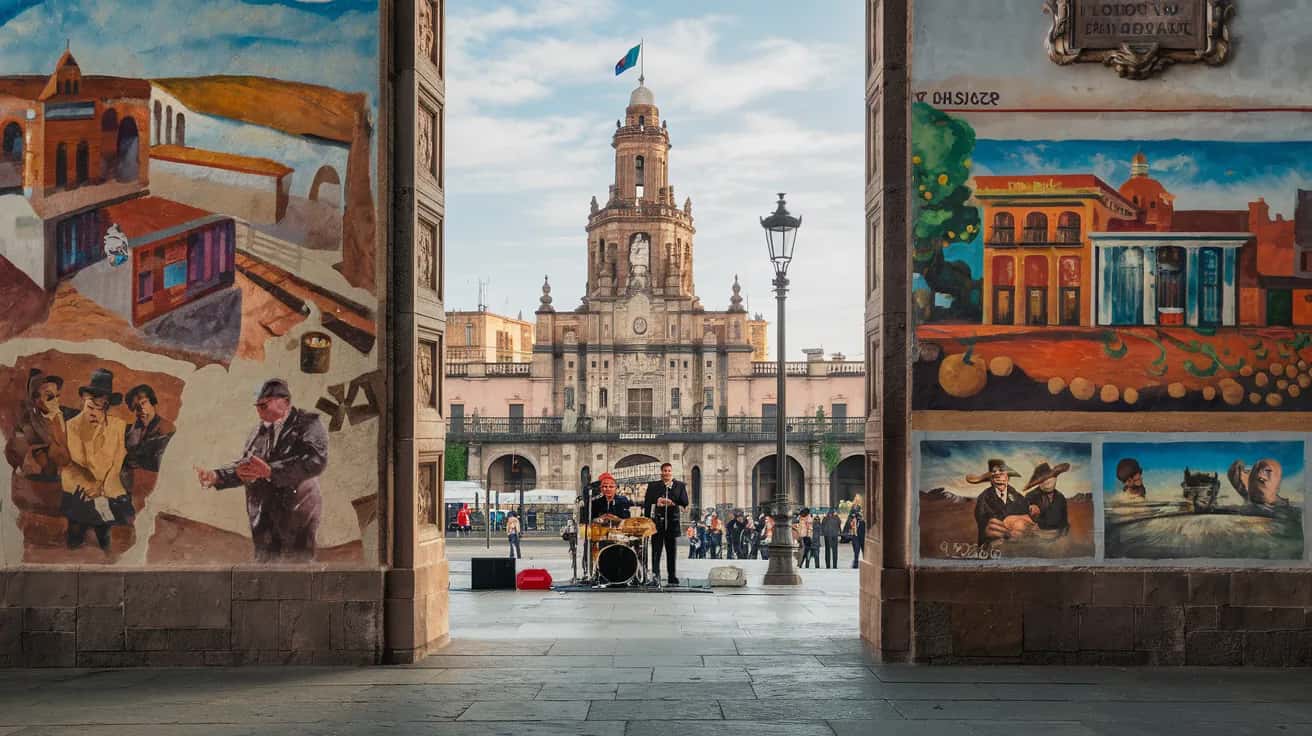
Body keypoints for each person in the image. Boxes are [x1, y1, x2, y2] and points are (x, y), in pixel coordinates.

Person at [196, 378, 327, 562]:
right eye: (258, 405)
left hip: (297, 514)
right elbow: (248, 467)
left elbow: (315, 461)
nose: (259, 409)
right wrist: (217, 476)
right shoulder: (258, 433)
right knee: (265, 571)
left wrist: (271, 471)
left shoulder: (308, 423)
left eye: (265, 405)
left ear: (286, 402)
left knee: (297, 570)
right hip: (263, 519)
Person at [60, 369, 133, 551]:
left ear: (107, 406)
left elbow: (117, 462)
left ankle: (104, 543)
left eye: (101, 408)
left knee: (113, 522)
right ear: (83, 402)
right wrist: (92, 487)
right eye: (90, 407)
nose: (94, 413)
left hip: (109, 489)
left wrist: (103, 488)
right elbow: (76, 464)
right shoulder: (70, 427)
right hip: (79, 489)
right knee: (78, 528)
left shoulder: (118, 426)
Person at [6, 369, 76, 482]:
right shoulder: (26, 425)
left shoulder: (72, 415)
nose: (56, 400)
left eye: (57, 395)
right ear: (36, 399)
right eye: (50, 396)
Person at [120, 384, 175, 494]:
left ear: (152, 402)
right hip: (129, 487)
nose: (141, 409)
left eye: (144, 403)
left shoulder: (167, 429)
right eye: (136, 407)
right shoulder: (128, 430)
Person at [969, 458, 1034, 546]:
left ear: (1007, 477)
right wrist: (987, 529)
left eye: (1002, 474)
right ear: (991, 479)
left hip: (1017, 546)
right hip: (994, 545)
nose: (998, 477)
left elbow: (1027, 513)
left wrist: (1032, 511)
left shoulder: (1017, 496)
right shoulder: (984, 497)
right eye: (995, 475)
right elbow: (982, 522)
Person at [643, 462, 688, 585]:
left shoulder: (679, 485)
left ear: (671, 472)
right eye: (664, 471)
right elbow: (647, 503)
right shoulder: (653, 486)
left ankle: (672, 576)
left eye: (669, 471)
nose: (666, 473)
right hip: (657, 522)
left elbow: (684, 502)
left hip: (672, 523)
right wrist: (657, 501)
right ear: (661, 472)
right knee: (656, 550)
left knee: (671, 551)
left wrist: (672, 500)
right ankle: (655, 576)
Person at [1023, 462, 1071, 534]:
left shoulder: (1060, 497)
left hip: (1058, 536)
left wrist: (1064, 532)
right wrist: (1030, 507)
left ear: (1055, 478)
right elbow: (1022, 511)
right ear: (1038, 483)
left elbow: (1064, 521)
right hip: (1037, 536)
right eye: (1043, 480)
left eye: (1049, 478)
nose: (1047, 482)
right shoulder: (1031, 496)